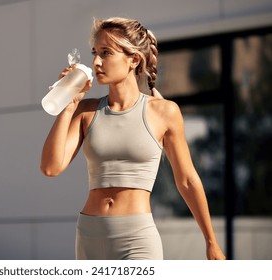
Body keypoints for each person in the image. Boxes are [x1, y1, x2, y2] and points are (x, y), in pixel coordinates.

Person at [40, 17, 225, 260]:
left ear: (133, 60)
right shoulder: (85, 110)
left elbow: (187, 181)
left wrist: (211, 242)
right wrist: (68, 103)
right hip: (89, 235)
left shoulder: (164, 112)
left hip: (136, 238)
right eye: (95, 52)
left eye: (106, 53)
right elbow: (50, 168)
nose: (96, 61)